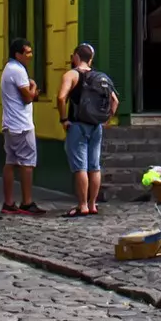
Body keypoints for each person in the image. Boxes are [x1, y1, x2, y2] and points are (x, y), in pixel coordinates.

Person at [57, 43, 116, 216]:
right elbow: (115, 102)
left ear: (75, 56)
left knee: (80, 167)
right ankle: (92, 204)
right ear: (91, 59)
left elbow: (61, 97)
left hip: (78, 125)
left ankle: (82, 205)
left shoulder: (71, 74)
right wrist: (105, 119)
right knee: (94, 166)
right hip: (96, 126)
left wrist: (63, 119)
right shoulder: (101, 77)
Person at [1, 39, 44, 215]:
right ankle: (27, 202)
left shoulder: (8, 69)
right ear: (18, 54)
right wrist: (33, 86)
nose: (30, 56)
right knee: (27, 163)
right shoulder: (18, 71)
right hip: (21, 125)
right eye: (27, 52)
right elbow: (28, 97)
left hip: (10, 124)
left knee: (10, 162)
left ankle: (8, 202)